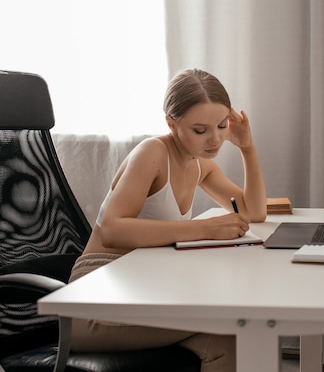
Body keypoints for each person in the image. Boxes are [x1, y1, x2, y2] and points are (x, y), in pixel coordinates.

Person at [69, 68, 267, 372]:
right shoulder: (153, 152)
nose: (214, 139)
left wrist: (247, 148)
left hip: (140, 290)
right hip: (95, 300)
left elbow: (254, 212)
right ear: (171, 124)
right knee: (239, 318)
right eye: (200, 130)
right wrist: (203, 229)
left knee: (231, 341)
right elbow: (112, 230)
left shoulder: (199, 164)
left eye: (222, 125)